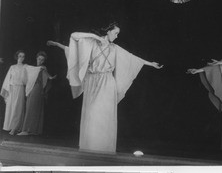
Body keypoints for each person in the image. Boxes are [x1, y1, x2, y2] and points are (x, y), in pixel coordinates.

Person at [47, 22, 163, 153]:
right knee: (91, 114)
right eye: (115, 33)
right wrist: (95, 37)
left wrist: (151, 64)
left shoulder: (115, 48)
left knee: (103, 114)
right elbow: (74, 36)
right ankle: (90, 146)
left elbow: (132, 58)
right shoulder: (91, 43)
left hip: (107, 82)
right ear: (108, 31)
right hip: (92, 81)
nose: (117, 36)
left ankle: (103, 147)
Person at [17, 51, 56, 136]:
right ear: (36, 58)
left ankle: (26, 130)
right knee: (31, 106)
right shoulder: (34, 67)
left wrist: (51, 76)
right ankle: (34, 130)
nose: (40, 61)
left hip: (38, 88)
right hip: (32, 87)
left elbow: (49, 77)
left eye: (42, 60)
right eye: (39, 59)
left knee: (32, 107)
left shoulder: (42, 67)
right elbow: (28, 73)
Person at [1, 50, 27, 135]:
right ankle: (10, 126)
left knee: (18, 108)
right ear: (17, 57)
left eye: (23, 56)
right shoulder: (12, 67)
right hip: (12, 89)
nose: (21, 58)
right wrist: (7, 90)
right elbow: (8, 79)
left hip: (20, 89)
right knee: (11, 107)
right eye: (20, 56)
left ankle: (15, 128)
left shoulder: (25, 67)